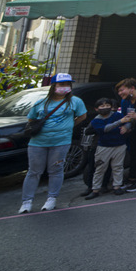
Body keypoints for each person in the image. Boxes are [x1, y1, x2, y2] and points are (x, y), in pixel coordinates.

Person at [18, 73, 87, 213]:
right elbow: (31, 119)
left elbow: (82, 116)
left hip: (61, 142)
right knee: (34, 171)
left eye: (67, 84)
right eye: (61, 84)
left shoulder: (76, 101)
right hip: (38, 142)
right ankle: (26, 202)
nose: (65, 87)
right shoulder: (41, 102)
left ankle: (51, 199)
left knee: (56, 170)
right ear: (54, 86)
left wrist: (68, 126)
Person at [85, 97, 129, 200]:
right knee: (100, 168)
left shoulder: (117, 115)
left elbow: (128, 121)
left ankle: (117, 187)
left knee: (117, 167)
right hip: (104, 147)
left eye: (107, 105)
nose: (105, 108)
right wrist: (120, 122)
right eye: (102, 106)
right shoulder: (96, 120)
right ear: (96, 109)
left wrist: (126, 126)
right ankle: (95, 189)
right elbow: (105, 129)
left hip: (119, 145)